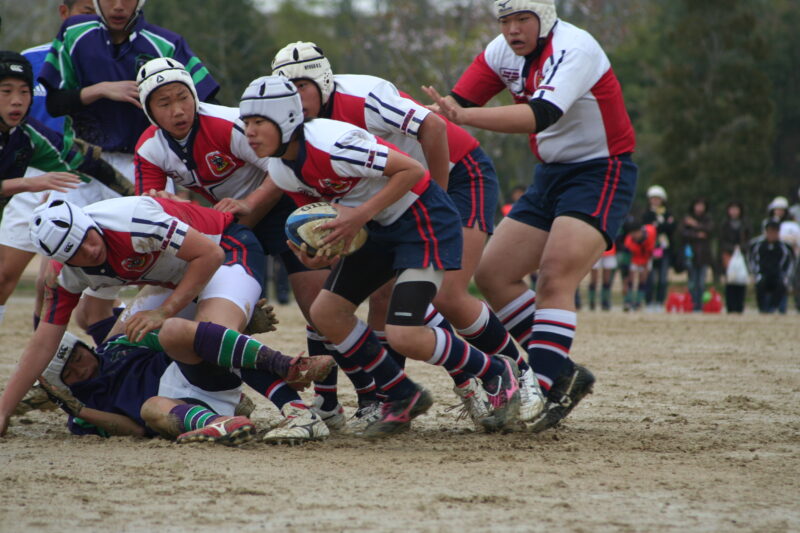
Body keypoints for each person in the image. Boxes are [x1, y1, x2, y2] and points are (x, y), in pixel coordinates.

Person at [270, 41, 541, 427]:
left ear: (323, 81)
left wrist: (438, 201)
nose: (294, 99)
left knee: (447, 293)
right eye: (286, 92)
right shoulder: (294, 143)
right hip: (392, 200)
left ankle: (518, 372)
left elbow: (433, 127)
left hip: (456, 173)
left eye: (301, 87)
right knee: (380, 297)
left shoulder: (365, 96)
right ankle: (396, 397)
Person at [423, 0, 637, 432]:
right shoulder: (502, 50)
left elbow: (541, 115)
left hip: (601, 169)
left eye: (522, 19)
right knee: (494, 274)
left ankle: (536, 387)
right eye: (505, 21)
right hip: (551, 173)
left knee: (556, 276)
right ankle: (559, 374)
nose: (513, 30)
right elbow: (454, 104)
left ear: (546, 19)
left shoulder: (575, 48)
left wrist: (463, 117)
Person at [0, 195, 268, 437]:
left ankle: (280, 381)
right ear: (64, 260)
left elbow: (210, 254)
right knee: (124, 338)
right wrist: (3, 412)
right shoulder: (64, 275)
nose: (90, 251)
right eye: (76, 253)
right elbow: (44, 342)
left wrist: (165, 311)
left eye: (87, 239)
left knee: (209, 339)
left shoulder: (130, 219)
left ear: (89, 222)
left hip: (225, 249)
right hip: (176, 277)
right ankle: (220, 338)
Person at [24, 319, 333, 444]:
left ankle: (297, 408)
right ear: (62, 385)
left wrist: (236, 324)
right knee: (149, 408)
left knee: (182, 334)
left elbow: (171, 330)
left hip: (193, 374)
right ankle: (224, 424)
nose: (81, 369)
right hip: (175, 412)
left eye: (78, 358)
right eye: (70, 374)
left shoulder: (116, 344)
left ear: (83, 347)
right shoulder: (83, 412)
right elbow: (133, 431)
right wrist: (80, 410)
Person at [0, 51, 131, 329]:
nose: (17, 100)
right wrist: (27, 183)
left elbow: (87, 163)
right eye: (6, 91)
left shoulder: (27, 135)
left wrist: (138, 194)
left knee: (48, 282)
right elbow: (29, 182)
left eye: (24, 92)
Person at [38, 0, 219, 182]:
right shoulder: (73, 32)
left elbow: (207, 103)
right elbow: (54, 104)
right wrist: (100, 90)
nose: (118, 6)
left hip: (146, 164)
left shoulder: (168, 44)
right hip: (82, 165)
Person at [749, 220, 795, 314]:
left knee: (781, 286)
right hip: (762, 275)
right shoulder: (758, 246)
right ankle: (763, 310)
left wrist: (785, 277)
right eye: (770, 232)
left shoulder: (784, 247)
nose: (772, 235)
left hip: (778, 276)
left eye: (774, 232)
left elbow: (790, 263)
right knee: (760, 284)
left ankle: (773, 309)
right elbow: (752, 261)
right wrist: (755, 274)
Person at [641, 185, 675, 310]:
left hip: (664, 249)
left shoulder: (667, 213)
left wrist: (659, 225)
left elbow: (671, 228)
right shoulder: (646, 214)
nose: (655, 201)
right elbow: (648, 229)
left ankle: (660, 302)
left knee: (662, 278)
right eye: (653, 198)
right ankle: (649, 301)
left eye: (658, 198)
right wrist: (662, 225)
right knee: (650, 277)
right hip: (651, 249)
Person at [680, 198, 714, 312]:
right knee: (692, 282)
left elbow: (709, 230)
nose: (699, 208)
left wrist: (694, 224)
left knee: (701, 282)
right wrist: (698, 234)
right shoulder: (686, 218)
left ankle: (700, 306)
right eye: (697, 205)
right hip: (691, 256)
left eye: (701, 205)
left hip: (704, 256)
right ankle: (693, 305)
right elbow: (682, 233)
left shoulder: (707, 218)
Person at [718, 201, 750, 313]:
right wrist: (732, 248)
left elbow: (748, 240)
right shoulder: (725, 224)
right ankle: (730, 307)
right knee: (730, 281)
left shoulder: (745, 224)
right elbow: (721, 241)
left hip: (741, 255)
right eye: (732, 209)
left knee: (741, 281)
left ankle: (740, 307)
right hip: (728, 255)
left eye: (736, 209)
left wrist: (740, 248)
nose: (734, 212)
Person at [623, 220, 657, 311]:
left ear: (641, 231)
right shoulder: (629, 240)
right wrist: (625, 277)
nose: (634, 236)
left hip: (646, 257)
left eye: (635, 233)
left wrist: (646, 266)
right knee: (631, 279)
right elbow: (626, 259)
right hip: (634, 258)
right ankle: (628, 301)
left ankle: (638, 302)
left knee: (643, 279)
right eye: (632, 234)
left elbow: (653, 250)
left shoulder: (651, 232)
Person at [587, 245, 616, 311]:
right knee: (594, 279)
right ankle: (592, 303)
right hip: (595, 250)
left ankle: (605, 302)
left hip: (609, 250)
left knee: (606, 280)